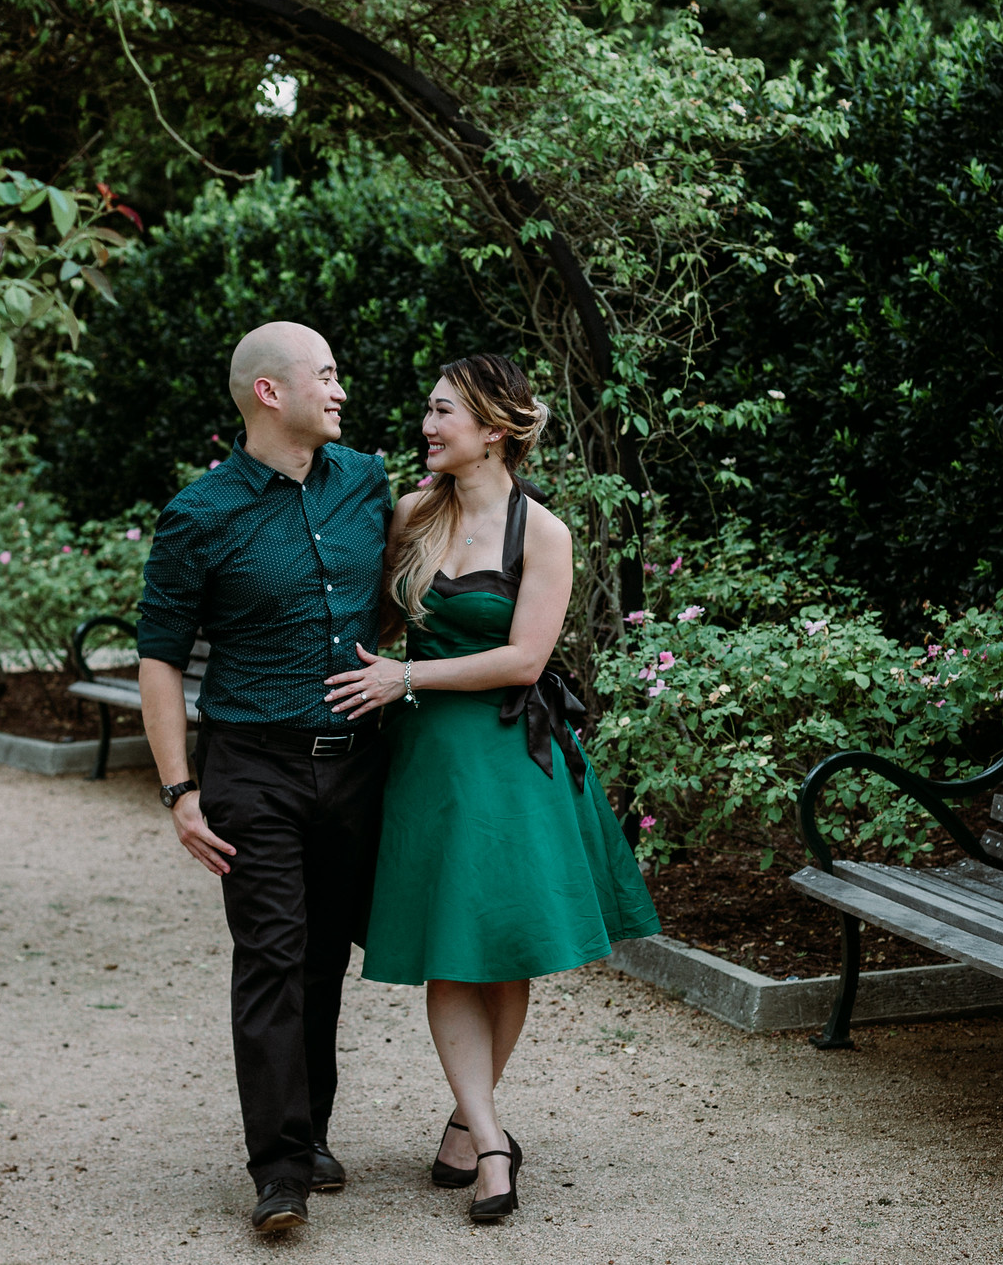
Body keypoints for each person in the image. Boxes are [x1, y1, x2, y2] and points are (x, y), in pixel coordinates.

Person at [322, 353, 660, 1225]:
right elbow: (384, 626)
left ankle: (471, 1127)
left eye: (445, 413)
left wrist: (408, 678)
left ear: (496, 429)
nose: (428, 426)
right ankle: (489, 1133)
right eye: (429, 411)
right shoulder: (410, 516)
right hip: (428, 760)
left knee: (504, 948)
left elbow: (525, 658)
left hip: (513, 758)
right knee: (450, 945)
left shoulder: (541, 532)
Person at [134, 321, 392, 1235]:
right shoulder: (199, 514)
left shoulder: (367, 481)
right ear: (270, 393)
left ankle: (310, 1132)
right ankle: (278, 1170)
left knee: (326, 956)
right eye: (327, 375)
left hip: (358, 765)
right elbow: (160, 658)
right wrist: (179, 789)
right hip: (254, 767)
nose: (342, 391)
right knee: (274, 957)